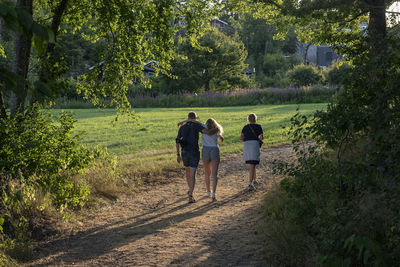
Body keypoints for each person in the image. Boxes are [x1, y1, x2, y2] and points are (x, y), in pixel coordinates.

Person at [176, 112, 218, 203]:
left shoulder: (182, 127)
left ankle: (190, 190)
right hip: (194, 152)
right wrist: (216, 131)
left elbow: (177, 141)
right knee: (192, 174)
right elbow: (207, 132)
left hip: (184, 152)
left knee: (187, 172)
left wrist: (178, 154)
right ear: (195, 118)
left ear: (188, 117)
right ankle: (190, 194)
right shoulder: (197, 126)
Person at [240, 113, 264, 190]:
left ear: (248, 119)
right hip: (254, 144)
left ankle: (254, 179)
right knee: (253, 164)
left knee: (252, 163)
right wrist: (258, 140)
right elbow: (261, 137)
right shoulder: (259, 126)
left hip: (246, 145)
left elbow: (241, 137)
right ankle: (250, 183)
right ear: (255, 119)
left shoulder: (245, 127)